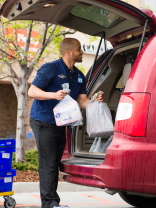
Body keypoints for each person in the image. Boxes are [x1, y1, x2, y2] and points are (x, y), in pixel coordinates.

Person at [28, 38, 104, 208]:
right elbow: (32, 91)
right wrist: (53, 95)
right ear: (69, 52)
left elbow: (82, 102)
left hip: (61, 124)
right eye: (79, 49)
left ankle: (51, 203)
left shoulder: (78, 75)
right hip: (43, 121)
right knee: (48, 164)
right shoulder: (51, 68)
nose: (82, 52)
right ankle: (50, 204)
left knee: (54, 163)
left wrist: (93, 101)